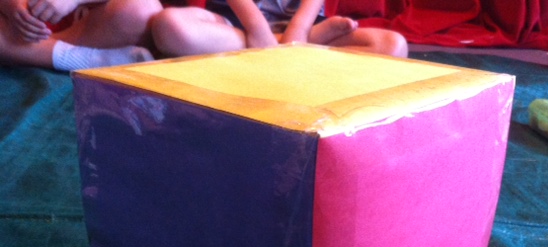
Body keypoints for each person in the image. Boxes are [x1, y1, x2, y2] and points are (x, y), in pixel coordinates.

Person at [151, 0, 408, 59]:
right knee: (169, 26)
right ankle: (298, 46)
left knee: (393, 46)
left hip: (304, 26)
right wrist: (258, 31)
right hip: (237, 27)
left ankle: (299, 42)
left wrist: (300, 29)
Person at [0, 0, 164, 71]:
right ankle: (88, 59)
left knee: (142, 9)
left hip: (85, 29)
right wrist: (11, 5)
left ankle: (25, 53)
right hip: (13, 30)